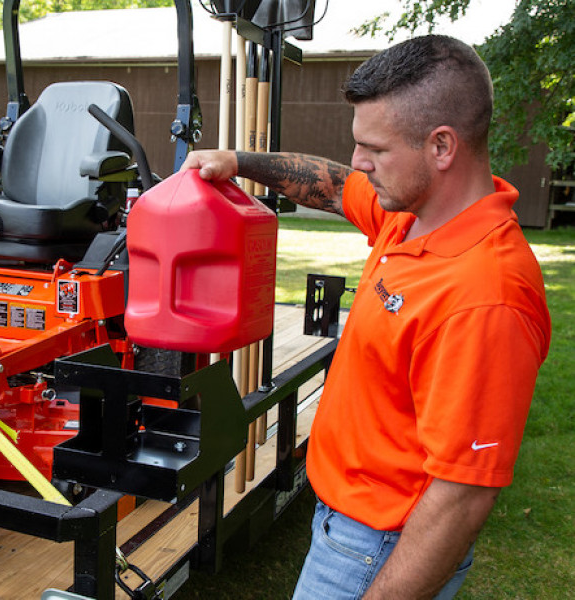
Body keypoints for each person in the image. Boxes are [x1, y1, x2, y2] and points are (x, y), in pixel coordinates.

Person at [181, 35, 550, 599]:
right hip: (346, 522)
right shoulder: (412, 217)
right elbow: (332, 186)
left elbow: (462, 495)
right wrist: (238, 162)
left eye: (374, 148)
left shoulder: (486, 295)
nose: (359, 162)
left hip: (380, 547)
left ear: (441, 147)